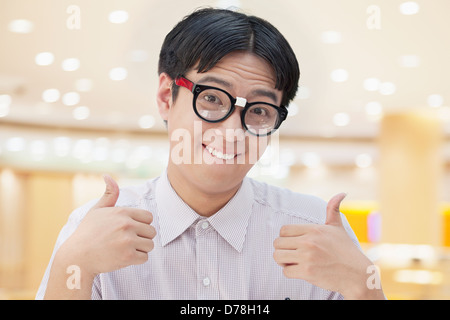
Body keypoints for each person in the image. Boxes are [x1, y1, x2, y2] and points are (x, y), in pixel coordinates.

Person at [36, 7, 385, 300]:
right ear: (165, 97)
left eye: (260, 110)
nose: (233, 132)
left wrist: (364, 284)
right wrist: (75, 265)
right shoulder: (91, 232)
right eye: (213, 98)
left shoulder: (316, 229)